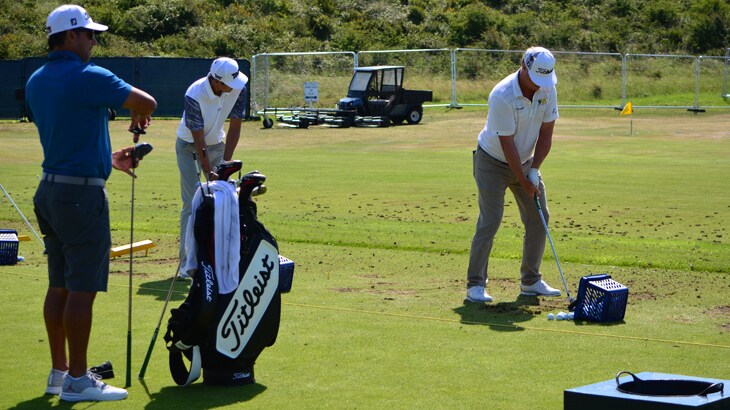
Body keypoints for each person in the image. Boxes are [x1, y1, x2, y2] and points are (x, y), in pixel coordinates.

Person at [26, 4, 157, 402]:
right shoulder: (89, 75)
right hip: (81, 197)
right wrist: (136, 114)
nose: (94, 41)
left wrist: (108, 159)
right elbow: (147, 102)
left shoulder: (35, 79)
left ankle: (59, 371)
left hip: (50, 189)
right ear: (70, 36)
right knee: (81, 289)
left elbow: (71, 131)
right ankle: (80, 380)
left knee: (59, 285)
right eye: (88, 34)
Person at [465, 46, 562, 303]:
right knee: (491, 219)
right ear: (524, 66)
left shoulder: (548, 89)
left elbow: (546, 134)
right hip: (492, 161)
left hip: (526, 161)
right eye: (535, 78)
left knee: (539, 217)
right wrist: (523, 180)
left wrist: (534, 170)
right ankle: (475, 284)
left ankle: (530, 281)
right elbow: (507, 145)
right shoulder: (502, 95)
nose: (539, 85)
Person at [175, 57, 248, 273]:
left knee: (229, 196)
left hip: (216, 145)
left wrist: (225, 163)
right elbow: (198, 141)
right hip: (188, 146)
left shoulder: (238, 87)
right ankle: (187, 264)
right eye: (229, 83)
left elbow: (235, 126)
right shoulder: (194, 94)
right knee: (191, 203)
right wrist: (209, 172)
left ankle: (227, 259)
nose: (234, 87)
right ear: (216, 81)